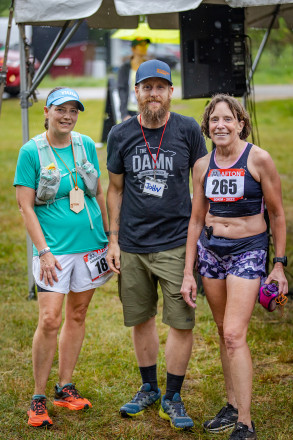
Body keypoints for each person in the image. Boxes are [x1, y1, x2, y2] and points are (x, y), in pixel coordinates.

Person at [106, 59, 207, 431]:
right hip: (132, 243)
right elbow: (115, 190)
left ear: (170, 92)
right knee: (142, 317)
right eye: (146, 87)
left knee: (181, 321)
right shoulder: (120, 134)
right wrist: (113, 240)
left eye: (159, 87)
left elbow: (201, 188)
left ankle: (173, 395)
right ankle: (149, 387)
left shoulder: (188, 130)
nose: (153, 94)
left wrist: (199, 239)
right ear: (135, 92)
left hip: (176, 242)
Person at [180, 94, 288, 440]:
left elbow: (277, 215)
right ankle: (230, 405)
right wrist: (187, 271)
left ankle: (245, 421)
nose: (221, 125)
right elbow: (196, 219)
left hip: (248, 251)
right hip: (211, 251)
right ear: (207, 126)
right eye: (214, 120)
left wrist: (279, 265)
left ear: (240, 123)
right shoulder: (202, 165)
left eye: (228, 119)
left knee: (233, 334)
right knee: (221, 328)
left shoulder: (258, 159)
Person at [14, 87, 112, 428]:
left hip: (91, 246)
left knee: (79, 313)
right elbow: (25, 205)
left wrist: (110, 239)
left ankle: (64, 387)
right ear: (46, 111)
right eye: (61, 109)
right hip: (54, 251)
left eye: (73, 110)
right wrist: (43, 252)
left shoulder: (85, 144)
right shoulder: (32, 152)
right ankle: (38, 397)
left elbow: (97, 191)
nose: (67, 115)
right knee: (50, 319)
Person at [117, 37, 150, 121]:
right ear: (133, 49)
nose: (144, 48)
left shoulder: (149, 66)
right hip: (130, 110)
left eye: (145, 45)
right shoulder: (125, 68)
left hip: (146, 110)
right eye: (141, 45)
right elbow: (122, 90)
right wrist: (124, 114)